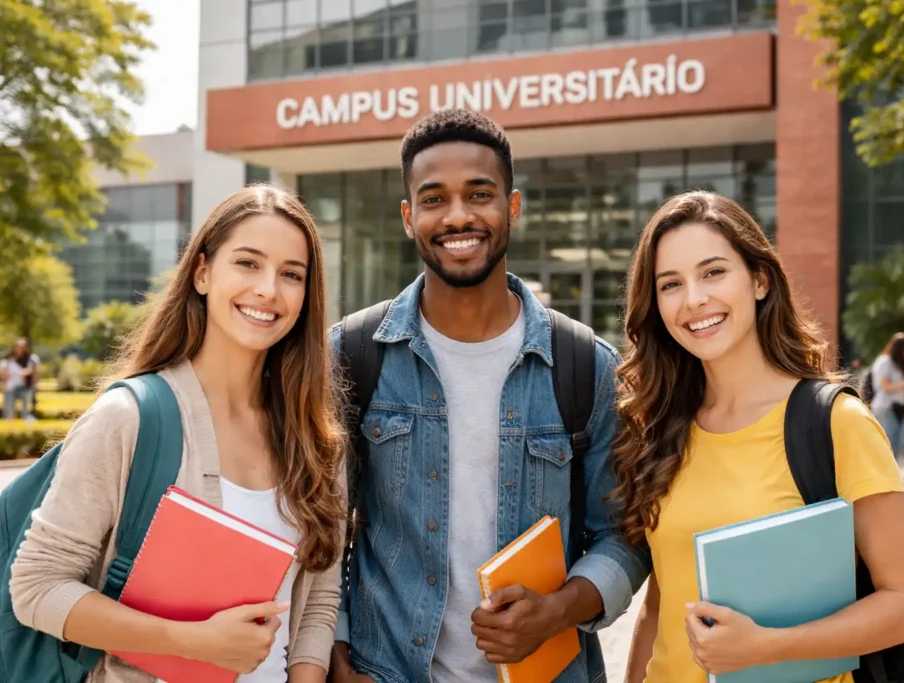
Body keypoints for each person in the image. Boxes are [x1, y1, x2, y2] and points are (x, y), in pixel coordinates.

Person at [328, 109, 650, 683]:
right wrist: (336, 652)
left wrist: (558, 611)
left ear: (514, 207)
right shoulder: (353, 355)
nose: (458, 217)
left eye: (480, 194)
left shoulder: (585, 366)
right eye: (433, 199)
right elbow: (319, 529)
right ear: (408, 217)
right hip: (386, 672)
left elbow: (624, 536)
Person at [10, 185, 348, 683]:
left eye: (291, 274)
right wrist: (192, 643)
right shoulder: (128, 418)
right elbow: (37, 588)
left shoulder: (317, 441)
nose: (268, 290)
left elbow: (318, 600)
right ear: (203, 272)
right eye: (248, 263)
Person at [616, 192, 904, 683]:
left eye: (714, 272)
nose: (694, 299)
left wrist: (766, 647)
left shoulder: (836, 423)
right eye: (671, 284)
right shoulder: (662, 427)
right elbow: (661, 604)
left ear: (760, 280)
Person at [869, 332, 904, 458]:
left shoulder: (898, 364)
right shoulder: (885, 361)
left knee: (897, 446)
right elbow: (885, 386)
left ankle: (893, 476)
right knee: (887, 446)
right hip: (886, 408)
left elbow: (898, 388)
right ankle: (884, 477)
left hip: (898, 409)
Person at [2, 339, 41, 420]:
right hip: (13, 387)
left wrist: (35, 384)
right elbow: (4, 371)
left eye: (22, 347)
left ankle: (26, 416)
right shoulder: (10, 358)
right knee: (8, 396)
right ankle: (9, 417)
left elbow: (35, 370)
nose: (20, 349)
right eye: (17, 347)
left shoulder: (32, 358)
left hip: (26, 387)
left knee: (26, 406)